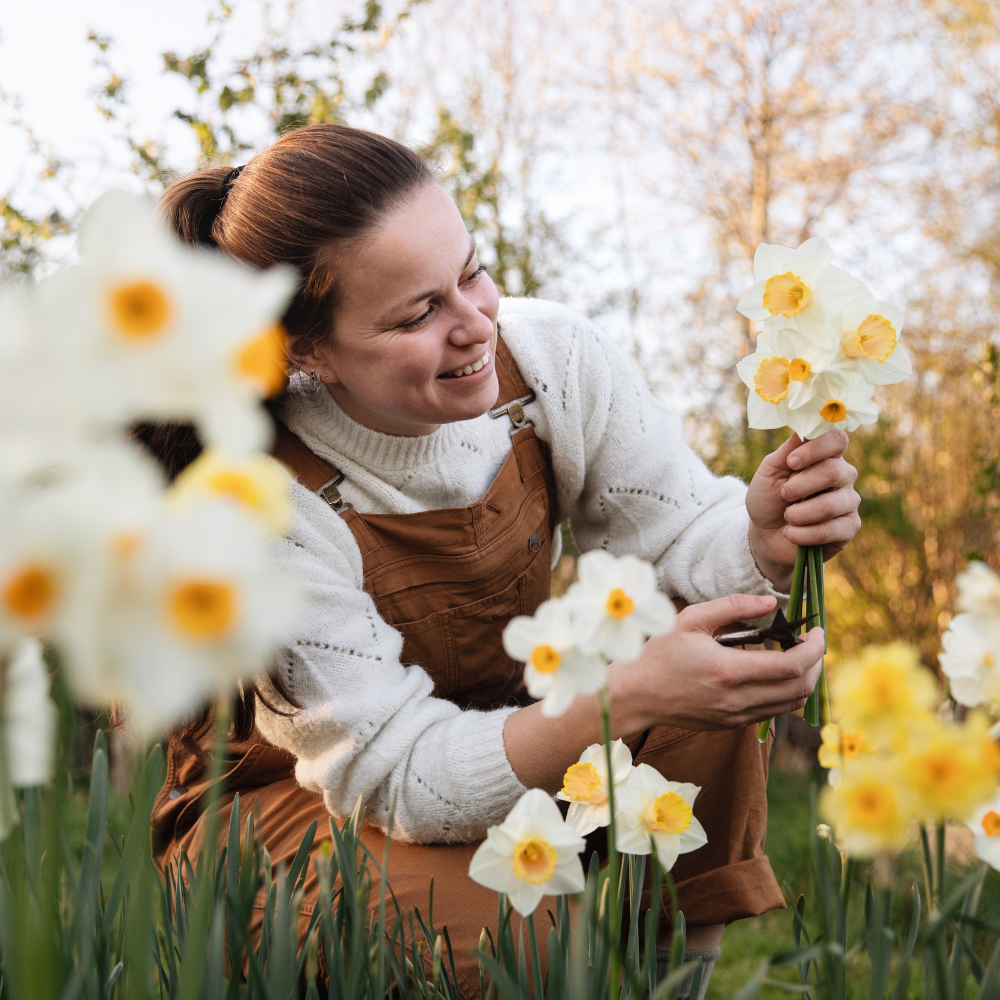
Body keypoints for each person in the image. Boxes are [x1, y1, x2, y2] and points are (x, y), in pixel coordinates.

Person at [150, 123, 860, 998]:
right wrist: (625, 698)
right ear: (305, 352)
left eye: (473, 272)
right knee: (509, 937)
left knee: (716, 644)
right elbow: (398, 776)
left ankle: (671, 983)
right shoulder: (256, 502)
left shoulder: (551, 360)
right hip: (297, 809)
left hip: (505, 734)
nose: (476, 323)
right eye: (419, 314)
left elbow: (676, 542)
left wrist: (759, 539)